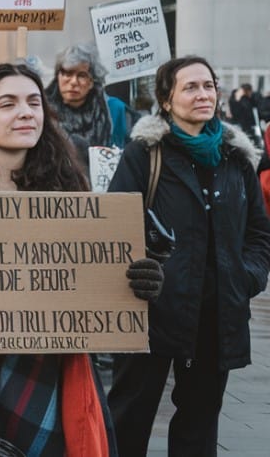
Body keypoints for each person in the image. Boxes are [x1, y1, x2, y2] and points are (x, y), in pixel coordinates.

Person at [0, 63, 162, 456]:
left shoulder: (73, 194)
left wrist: (136, 283)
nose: (26, 112)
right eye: (8, 104)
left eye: (34, 102)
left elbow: (97, 283)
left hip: (57, 380)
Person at [106, 56, 270, 457]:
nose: (203, 94)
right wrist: (143, 276)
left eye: (209, 86)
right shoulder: (144, 155)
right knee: (129, 418)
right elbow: (112, 231)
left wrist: (246, 276)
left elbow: (258, 233)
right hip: (152, 311)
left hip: (217, 313)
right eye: (191, 87)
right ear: (166, 99)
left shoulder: (236, 158)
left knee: (199, 423)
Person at [45, 43, 113, 167]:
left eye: (81, 75)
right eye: (68, 74)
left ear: (92, 81)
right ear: (58, 76)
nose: (73, 82)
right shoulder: (42, 110)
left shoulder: (107, 111)